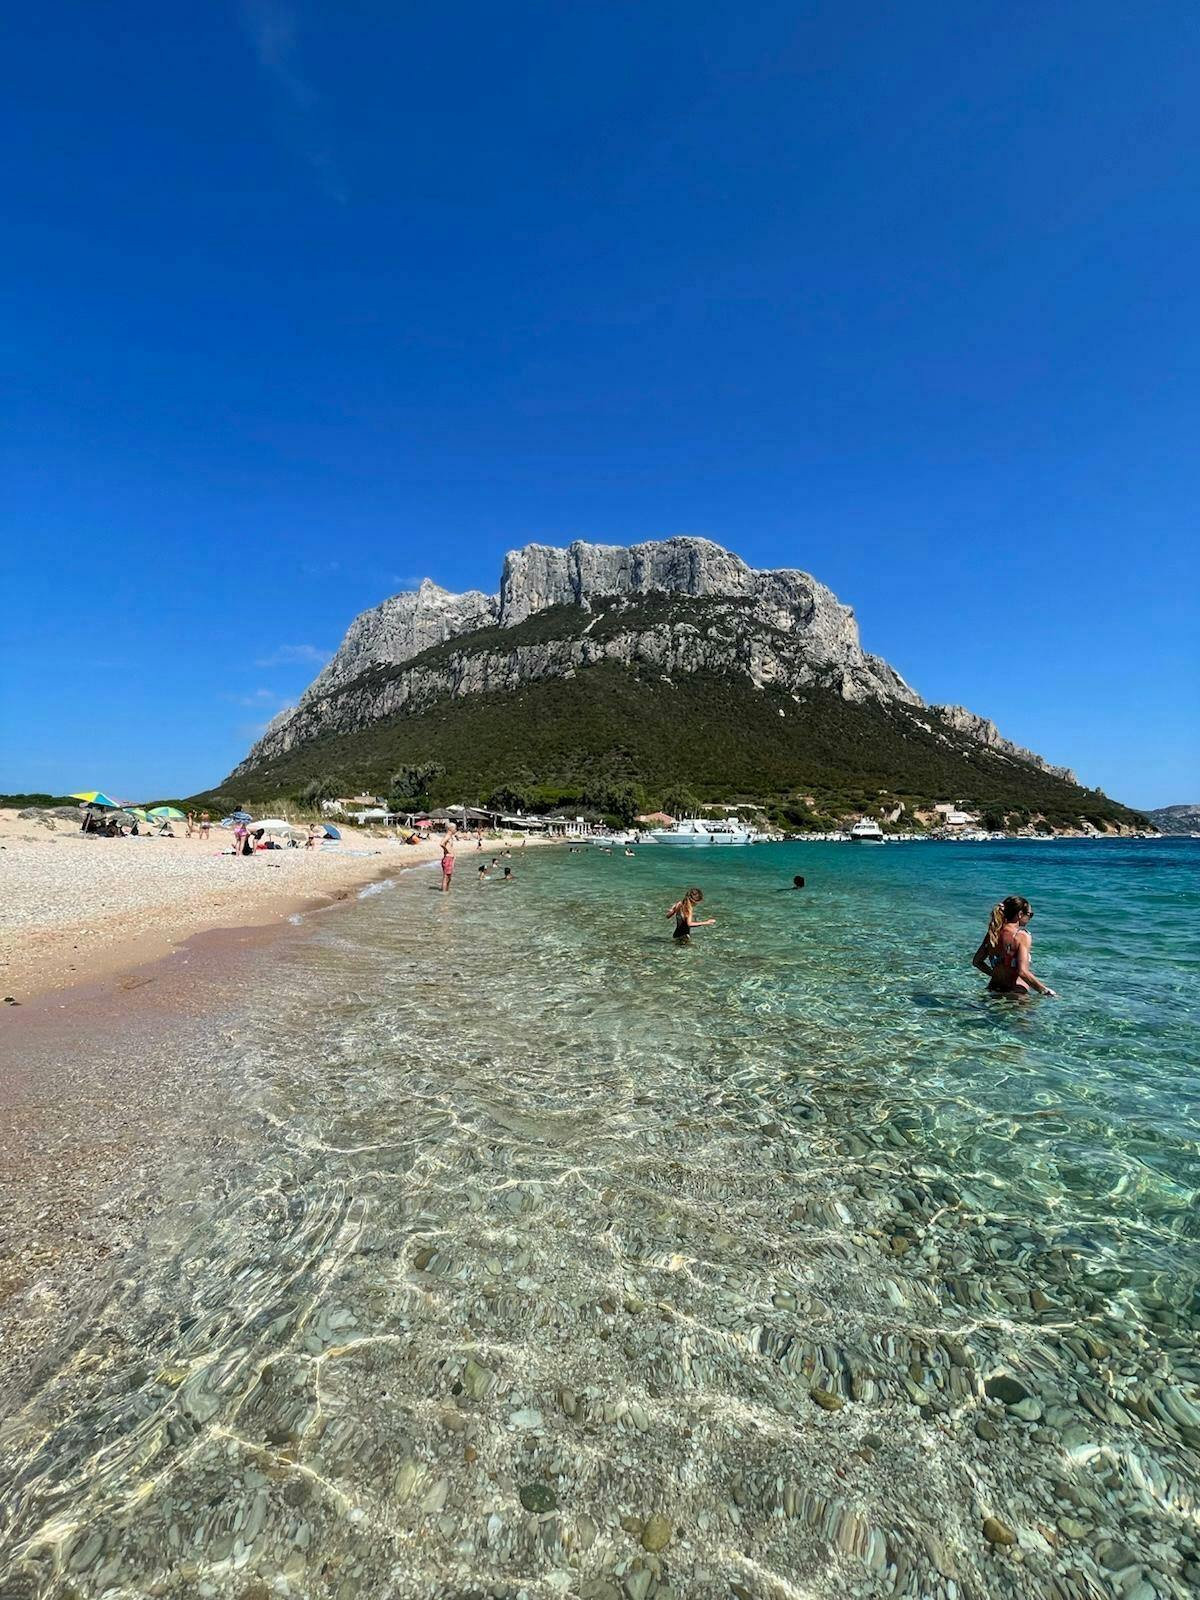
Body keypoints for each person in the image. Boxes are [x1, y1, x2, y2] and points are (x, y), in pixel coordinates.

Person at [972, 895, 1057, 997]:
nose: (1030, 918)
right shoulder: (1021, 936)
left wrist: (994, 974)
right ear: (1020, 914)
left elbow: (977, 962)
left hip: (993, 989)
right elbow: (1022, 972)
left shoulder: (993, 933)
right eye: (1030, 914)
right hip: (1015, 994)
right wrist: (1045, 990)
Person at [440, 827, 457, 893]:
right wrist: (447, 851)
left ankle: (446, 891)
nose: (456, 830)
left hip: (449, 858)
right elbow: (441, 844)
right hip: (448, 858)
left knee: (449, 878)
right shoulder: (448, 836)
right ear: (451, 829)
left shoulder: (450, 836)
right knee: (446, 877)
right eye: (455, 828)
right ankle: (444, 893)